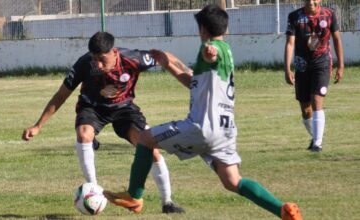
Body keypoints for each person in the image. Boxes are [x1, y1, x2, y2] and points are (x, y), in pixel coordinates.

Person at [104, 4, 303, 220]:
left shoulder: (214, 49)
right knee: (233, 181)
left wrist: (210, 52)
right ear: (224, 29)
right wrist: (167, 64)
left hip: (202, 127)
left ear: (203, 31)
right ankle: (282, 210)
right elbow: (193, 82)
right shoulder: (221, 57)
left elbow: (214, 54)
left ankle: (134, 196)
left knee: (144, 138)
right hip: (225, 132)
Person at [21, 31, 184, 214]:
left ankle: (167, 202)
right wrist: (38, 125)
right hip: (92, 108)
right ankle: (94, 190)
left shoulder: (133, 58)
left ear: (114, 52)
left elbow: (164, 57)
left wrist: (189, 73)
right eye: (94, 59)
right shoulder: (84, 63)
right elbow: (61, 95)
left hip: (124, 109)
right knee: (84, 135)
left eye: (102, 59)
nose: (97, 64)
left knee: (149, 148)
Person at [284, 0, 344, 152]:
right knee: (306, 109)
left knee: (317, 100)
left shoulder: (329, 14)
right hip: (302, 65)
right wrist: (287, 69)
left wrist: (341, 65)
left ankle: (317, 144)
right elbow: (290, 43)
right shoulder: (294, 16)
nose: (311, 1)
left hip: (322, 63)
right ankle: (316, 136)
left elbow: (337, 40)